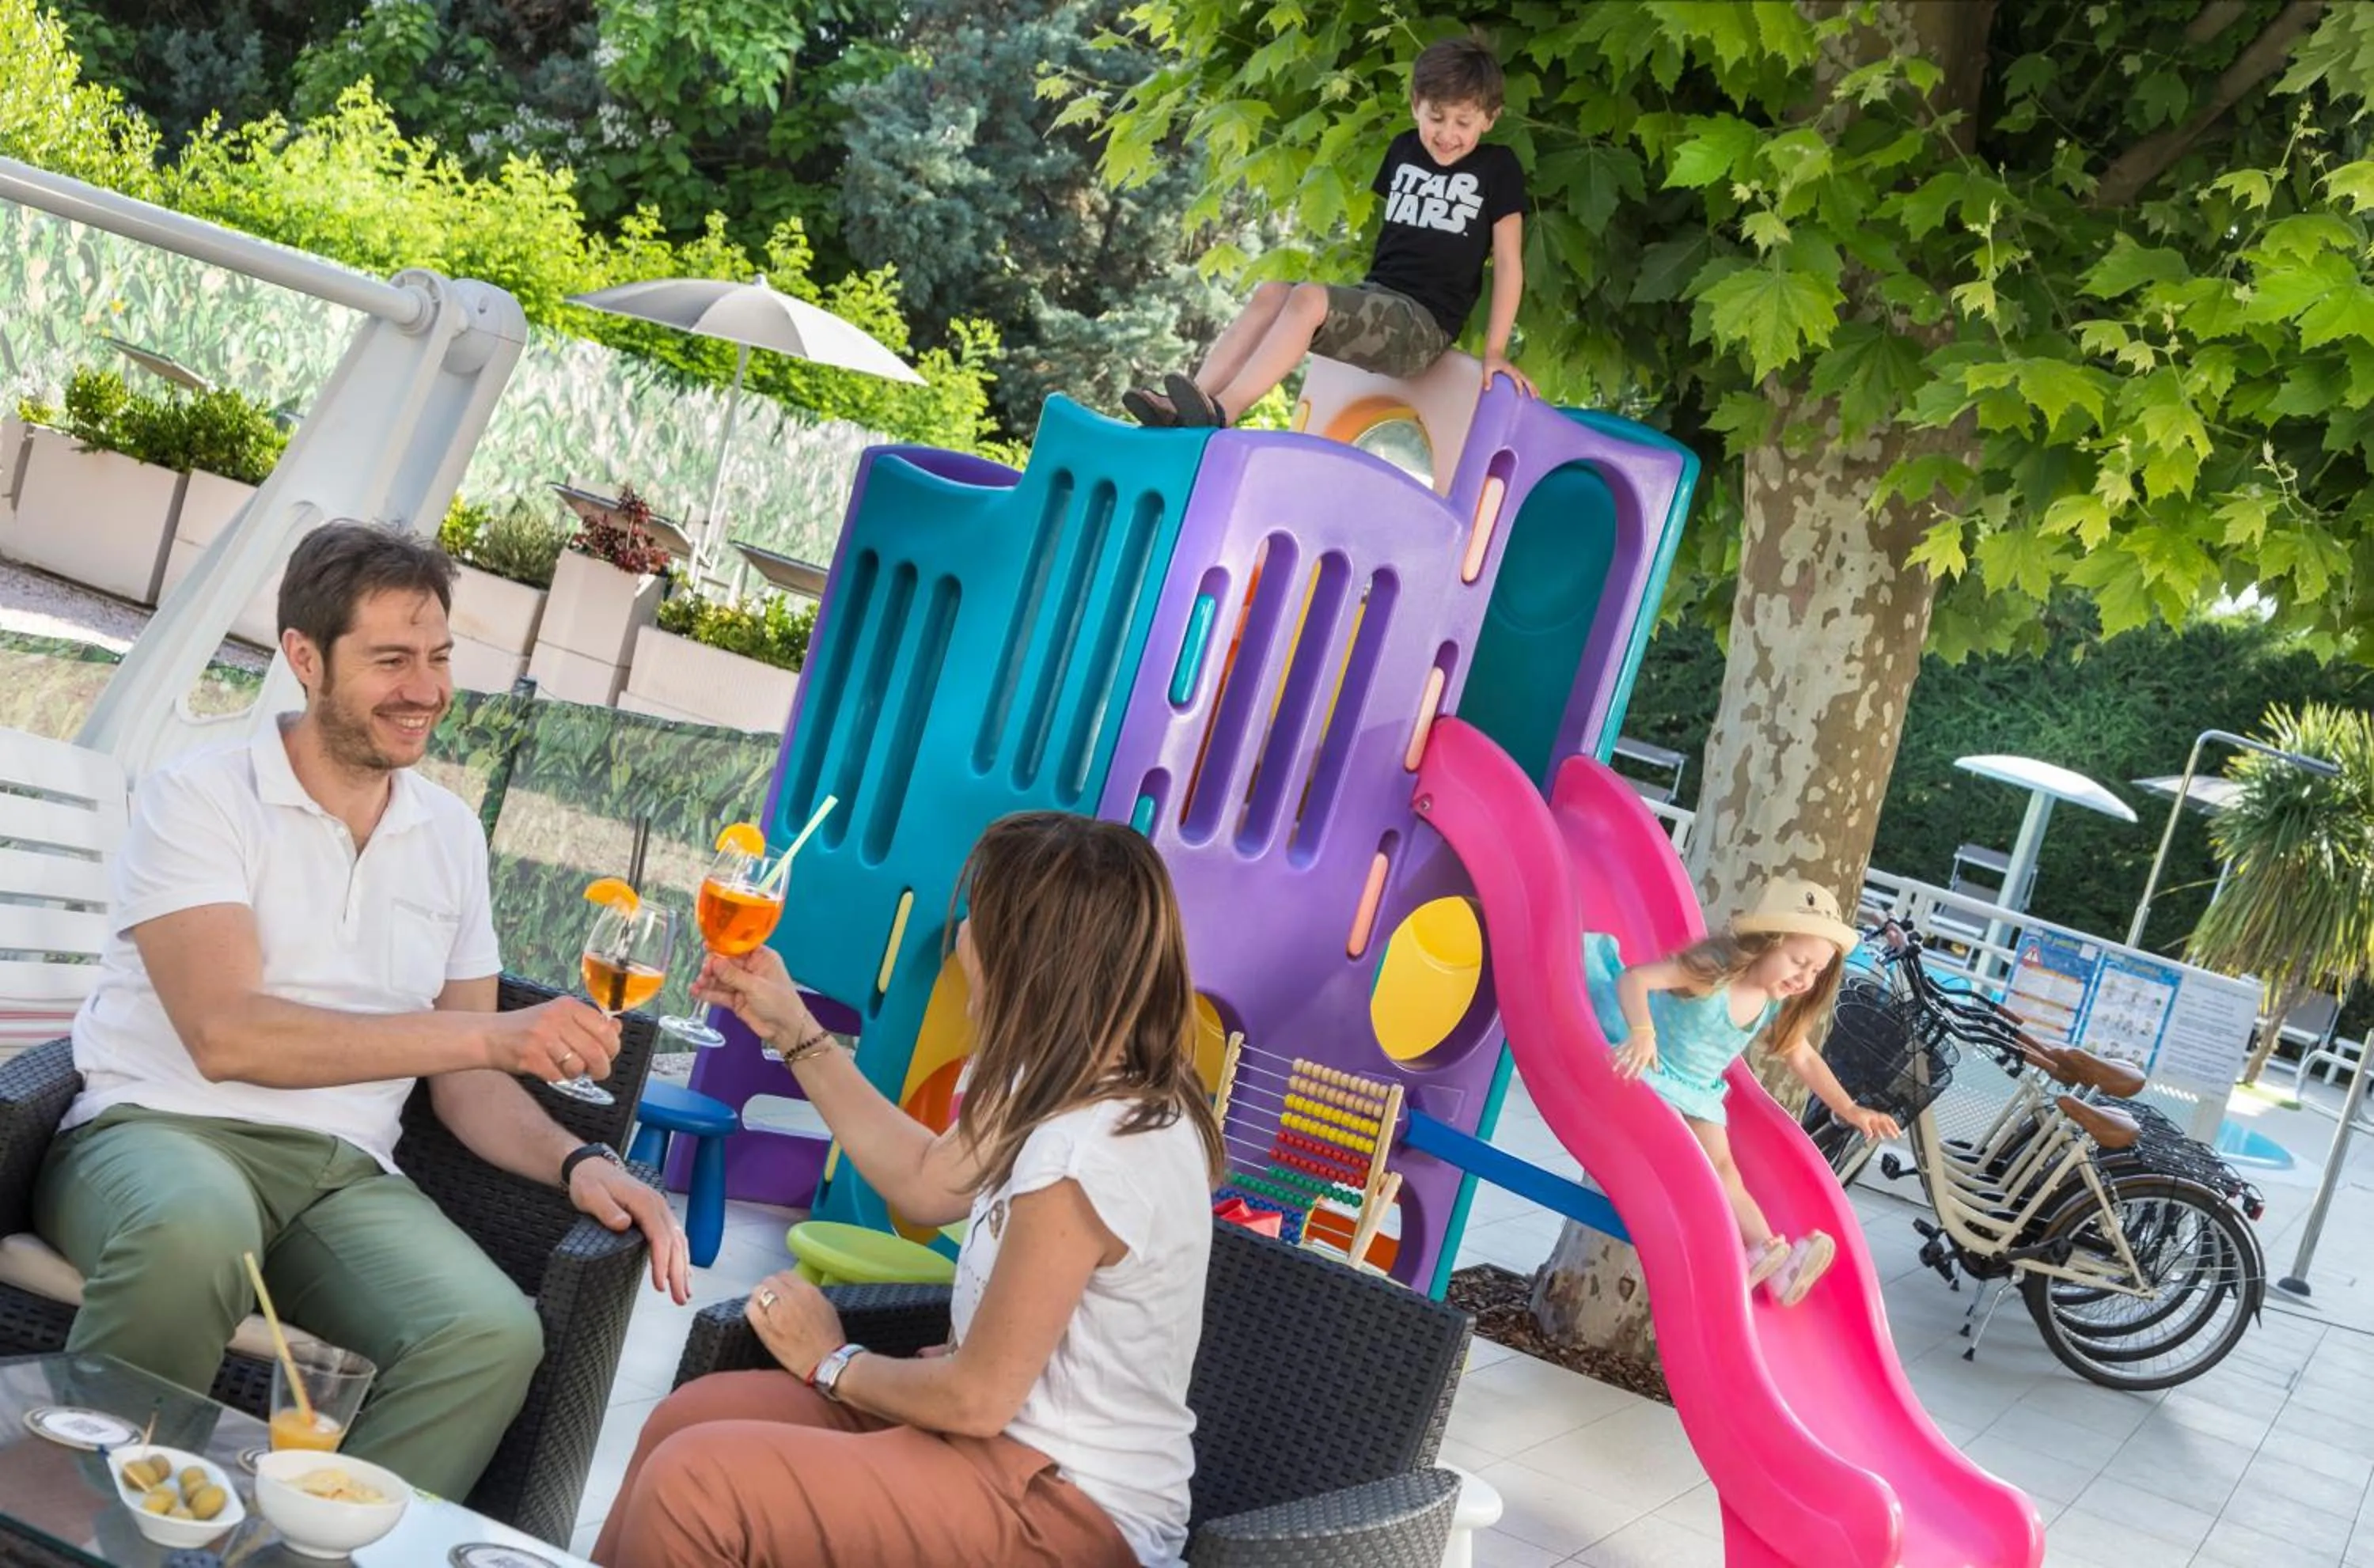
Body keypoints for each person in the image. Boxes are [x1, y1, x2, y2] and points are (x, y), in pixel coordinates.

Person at [32, 522, 690, 1500]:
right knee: (193, 1232)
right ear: (305, 657)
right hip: (160, 1129)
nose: (425, 689)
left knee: (487, 1335)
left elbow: (467, 1083)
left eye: (438, 657)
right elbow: (227, 1034)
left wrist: (578, 1157)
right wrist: (483, 1032)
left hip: (344, 1178)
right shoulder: (201, 797)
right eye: (390, 659)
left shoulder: (448, 834)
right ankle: (74, 1529)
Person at [595, 812, 1223, 1568]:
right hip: (985, 1447)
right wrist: (790, 1025)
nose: (962, 938)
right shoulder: (1053, 1079)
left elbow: (976, 1398)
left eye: (975, 917)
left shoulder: (1096, 1144)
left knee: (695, 1487)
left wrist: (831, 1361)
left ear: (1025, 957)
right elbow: (926, 1183)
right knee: (687, 1420)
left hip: (1063, 1509)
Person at [1122, 35, 1533, 429]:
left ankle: (1224, 410)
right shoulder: (1404, 150)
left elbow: (1510, 264)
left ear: (1490, 118)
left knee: (1307, 298)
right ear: (1415, 106)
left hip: (1423, 327)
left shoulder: (1498, 167)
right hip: (1379, 298)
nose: (1446, 134)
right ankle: (1186, 405)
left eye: (1463, 122)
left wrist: (1495, 350)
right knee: (1271, 292)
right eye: (1436, 117)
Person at [1582, 878, 1899, 1308]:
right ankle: (1741, 1251)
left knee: (1725, 1169)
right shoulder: (1712, 971)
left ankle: (1770, 1256)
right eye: (1798, 961)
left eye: (1815, 971)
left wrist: (1849, 1108)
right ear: (1767, 943)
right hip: (1648, 1062)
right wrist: (1642, 1033)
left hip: (1694, 1090)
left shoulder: (1772, 1001)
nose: (1804, 978)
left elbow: (1803, 1058)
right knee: (1693, 1158)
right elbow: (1634, 980)